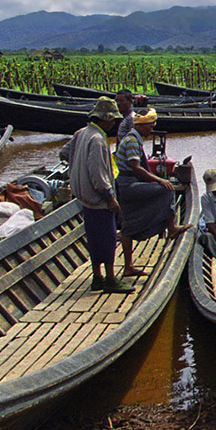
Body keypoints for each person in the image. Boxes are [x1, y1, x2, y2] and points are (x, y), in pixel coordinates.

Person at [59, 97, 131, 293]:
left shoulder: (81, 133)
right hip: (99, 199)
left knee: (94, 239)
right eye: (112, 120)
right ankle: (110, 279)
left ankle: (97, 277)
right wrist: (110, 197)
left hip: (85, 199)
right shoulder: (98, 139)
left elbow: (63, 153)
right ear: (104, 119)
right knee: (107, 239)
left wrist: (76, 164)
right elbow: (98, 175)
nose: (113, 123)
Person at [114, 107, 188, 277]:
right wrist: (159, 179)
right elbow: (136, 167)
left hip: (125, 185)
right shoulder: (132, 140)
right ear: (140, 126)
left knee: (128, 226)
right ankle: (171, 227)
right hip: (129, 185)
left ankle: (128, 267)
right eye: (149, 126)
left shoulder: (132, 138)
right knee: (166, 190)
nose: (151, 129)